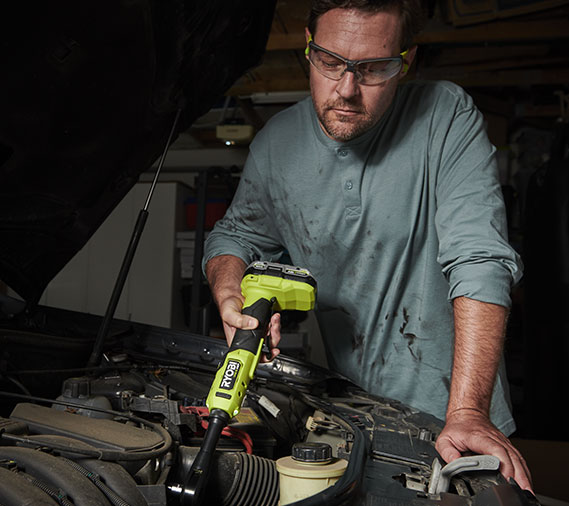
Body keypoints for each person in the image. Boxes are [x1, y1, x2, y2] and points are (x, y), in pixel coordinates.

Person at [202, 0, 533, 492]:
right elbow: (236, 235)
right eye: (330, 62)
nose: (346, 89)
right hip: (351, 416)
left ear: (406, 60)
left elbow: (479, 257)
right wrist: (230, 291)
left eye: (374, 68)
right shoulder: (276, 144)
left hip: (458, 424)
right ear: (308, 48)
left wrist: (467, 412)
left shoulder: (444, 114)